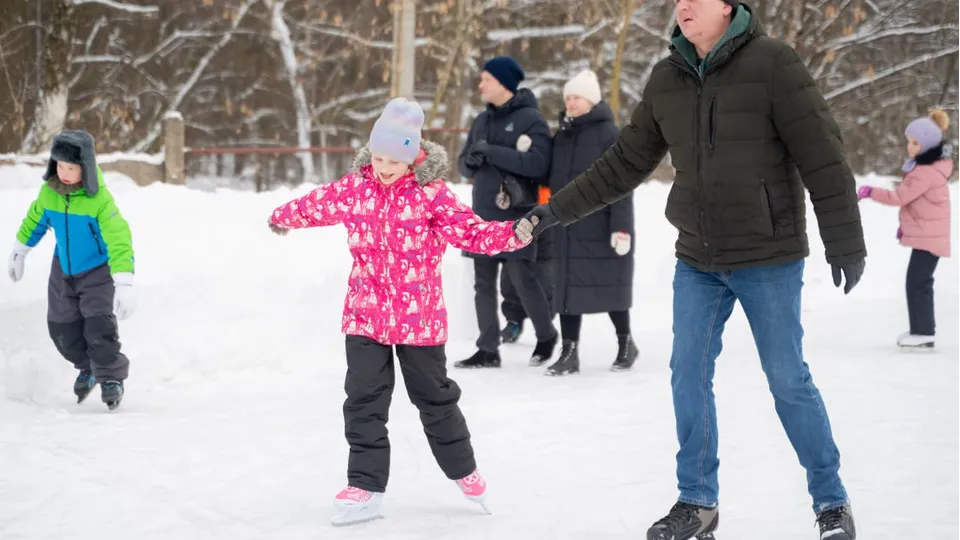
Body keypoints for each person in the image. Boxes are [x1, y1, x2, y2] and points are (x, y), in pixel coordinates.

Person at [514, 1, 865, 539]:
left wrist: (845, 240)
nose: (682, 6)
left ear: (726, 6)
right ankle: (698, 502)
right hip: (699, 260)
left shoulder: (774, 63)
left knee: (787, 379)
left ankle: (831, 503)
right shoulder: (668, 76)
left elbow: (822, 154)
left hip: (767, 256)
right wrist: (554, 210)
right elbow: (624, 162)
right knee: (688, 374)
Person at [268, 98, 530, 526]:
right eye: (378, 157)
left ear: (412, 156)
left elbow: (471, 231)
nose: (384, 167)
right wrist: (283, 216)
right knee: (363, 400)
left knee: (434, 399)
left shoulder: (431, 195)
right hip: (365, 314)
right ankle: (365, 486)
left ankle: (464, 471)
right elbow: (317, 204)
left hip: (419, 318)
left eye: (394, 159)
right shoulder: (357, 187)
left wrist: (513, 234)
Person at [7, 129, 136, 411]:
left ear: (85, 167)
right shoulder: (49, 193)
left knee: (98, 328)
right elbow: (35, 220)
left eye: (72, 167)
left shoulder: (99, 200)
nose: (64, 173)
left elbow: (119, 239)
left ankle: (111, 377)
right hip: (63, 270)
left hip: (97, 270)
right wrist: (20, 249)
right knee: (61, 330)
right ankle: (87, 367)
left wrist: (124, 281)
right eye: (60, 165)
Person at [455, 55, 559, 369]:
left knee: (522, 278)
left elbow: (539, 164)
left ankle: (546, 336)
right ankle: (488, 349)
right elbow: (463, 166)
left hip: (517, 214)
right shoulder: (481, 121)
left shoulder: (531, 119)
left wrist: (493, 153)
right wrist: (470, 161)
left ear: (504, 83)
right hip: (482, 215)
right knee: (483, 284)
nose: (481, 85)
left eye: (487, 79)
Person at [543, 69, 638, 376]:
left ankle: (626, 343)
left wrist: (621, 228)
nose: (570, 103)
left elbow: (622, 184)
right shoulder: (561, 136)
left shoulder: (609, 134)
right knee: (567, 289)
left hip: (599, 225)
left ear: (592, 101)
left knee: (610, 285)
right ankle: (569, 352)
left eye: (577, 98)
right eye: (568, 98)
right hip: (566, 226)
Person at [857, 109, 952, 351]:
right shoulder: (929, 167)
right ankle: (921, 330)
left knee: (918, 283)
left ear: (927, 144)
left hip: (930, 237)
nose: (910, 147)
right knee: (919, 282)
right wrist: (907, 229)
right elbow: (919, 206)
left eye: (915, 143)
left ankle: (923, 332)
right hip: (929, 234)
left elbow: (899, 197)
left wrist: (871, 192)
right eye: (909, 142)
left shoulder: (924, 172)